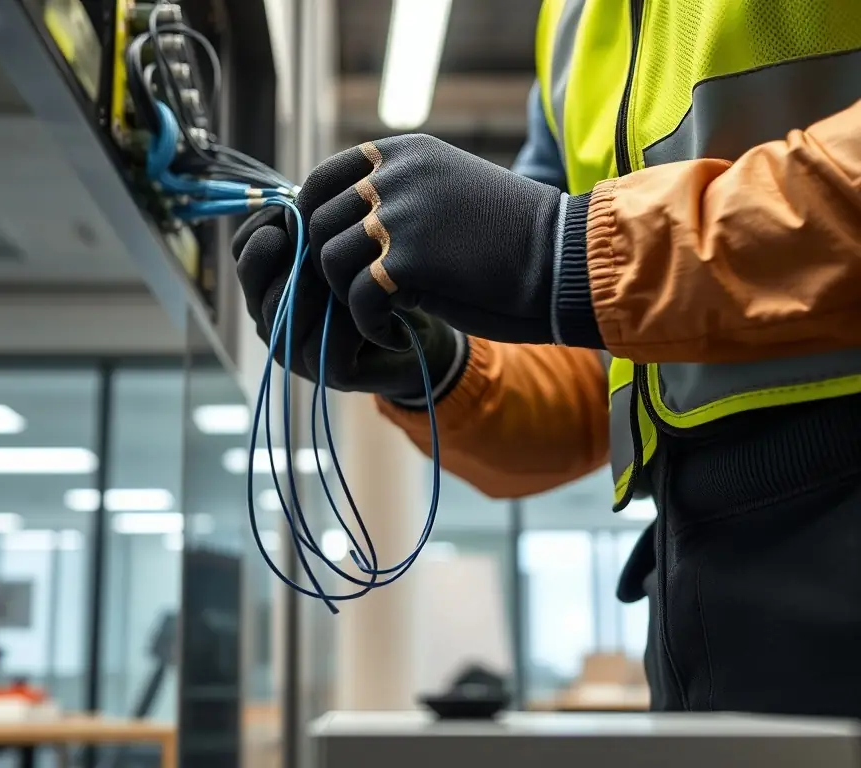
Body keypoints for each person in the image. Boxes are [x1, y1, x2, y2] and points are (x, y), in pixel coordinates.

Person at [231, 1, 861, 717]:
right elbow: (597, 370)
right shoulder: (573, 21)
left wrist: (559, 246)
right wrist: (433, 367)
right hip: (702, 588)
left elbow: (588, 264)